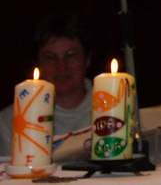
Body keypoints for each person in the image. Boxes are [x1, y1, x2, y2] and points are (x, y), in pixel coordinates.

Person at [0, 14, 94, 156]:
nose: (61, 67)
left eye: (70, 55)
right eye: (50, 58)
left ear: (87, 60)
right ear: (38, 64)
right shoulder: (10, 121)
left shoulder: (115, 110)